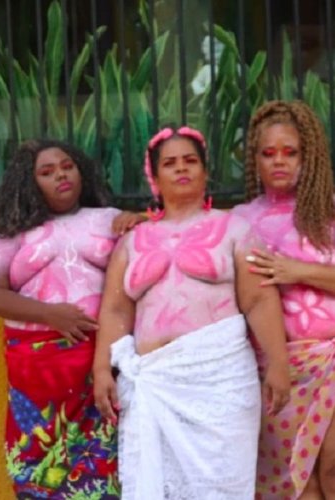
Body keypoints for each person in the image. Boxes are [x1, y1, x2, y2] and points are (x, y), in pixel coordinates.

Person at [92, 126, 291, 499]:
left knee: (222, 484)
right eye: (170, 163)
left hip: (221, 380)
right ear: (155, 176)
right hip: (155, 382)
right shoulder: (133, 240)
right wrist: (102, 368)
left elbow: (259, 300)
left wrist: (278, 362)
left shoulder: (234, 228)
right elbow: (116, 309)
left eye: (190, 161)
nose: (181, 169)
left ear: (205, 170)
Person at [233, 100, 335, 500]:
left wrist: (296, 270)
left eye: (291, 152)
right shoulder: (240, 220)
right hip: (279, 368)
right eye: (268, 154)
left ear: (309, 155)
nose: (279, 162)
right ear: (254, 159)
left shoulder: (332, 210)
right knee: (297, 488)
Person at [0, 139, 141, 499]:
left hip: (98, 364)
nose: (60, 176)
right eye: (46, 172)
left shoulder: (108, 219)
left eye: (66, 166)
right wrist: (50, 315)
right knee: (40, 462)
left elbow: (149, 252)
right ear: (30, 182)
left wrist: (137, 222)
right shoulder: (12, 235)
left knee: (103, 461)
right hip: (37, 372)